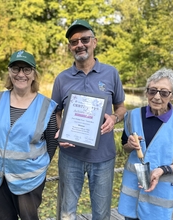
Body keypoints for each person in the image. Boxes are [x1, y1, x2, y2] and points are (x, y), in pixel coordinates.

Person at [51, 19, 126, 219]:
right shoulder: (62, 78)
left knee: (101, 213)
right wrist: (61, 133)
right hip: (70, 157)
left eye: (84, 39)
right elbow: (56, 111)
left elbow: (121, 107)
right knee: (67, 212)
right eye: (74, 41)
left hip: (103, 157)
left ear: (94, 42)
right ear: (70, 47)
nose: (79, 44)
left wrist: (114, 118)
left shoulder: (111, 73)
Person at [0, 50, 58, 220]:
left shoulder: (46, 106)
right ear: (9, 72)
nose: (21, 74)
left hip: (28, 179)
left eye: (26, 69)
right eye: (15, 69)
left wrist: (35, 165)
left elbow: (52, 144)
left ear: (34, 74)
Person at [117, 68, 173, 220]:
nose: (156, 97)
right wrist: (129, 144)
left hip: (159, 199)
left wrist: (164, 169)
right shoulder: (132, 116)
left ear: (172, 95)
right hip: (133, 196)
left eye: (163, 93)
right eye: (152, 91)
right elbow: (125, 147)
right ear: (146, 92)